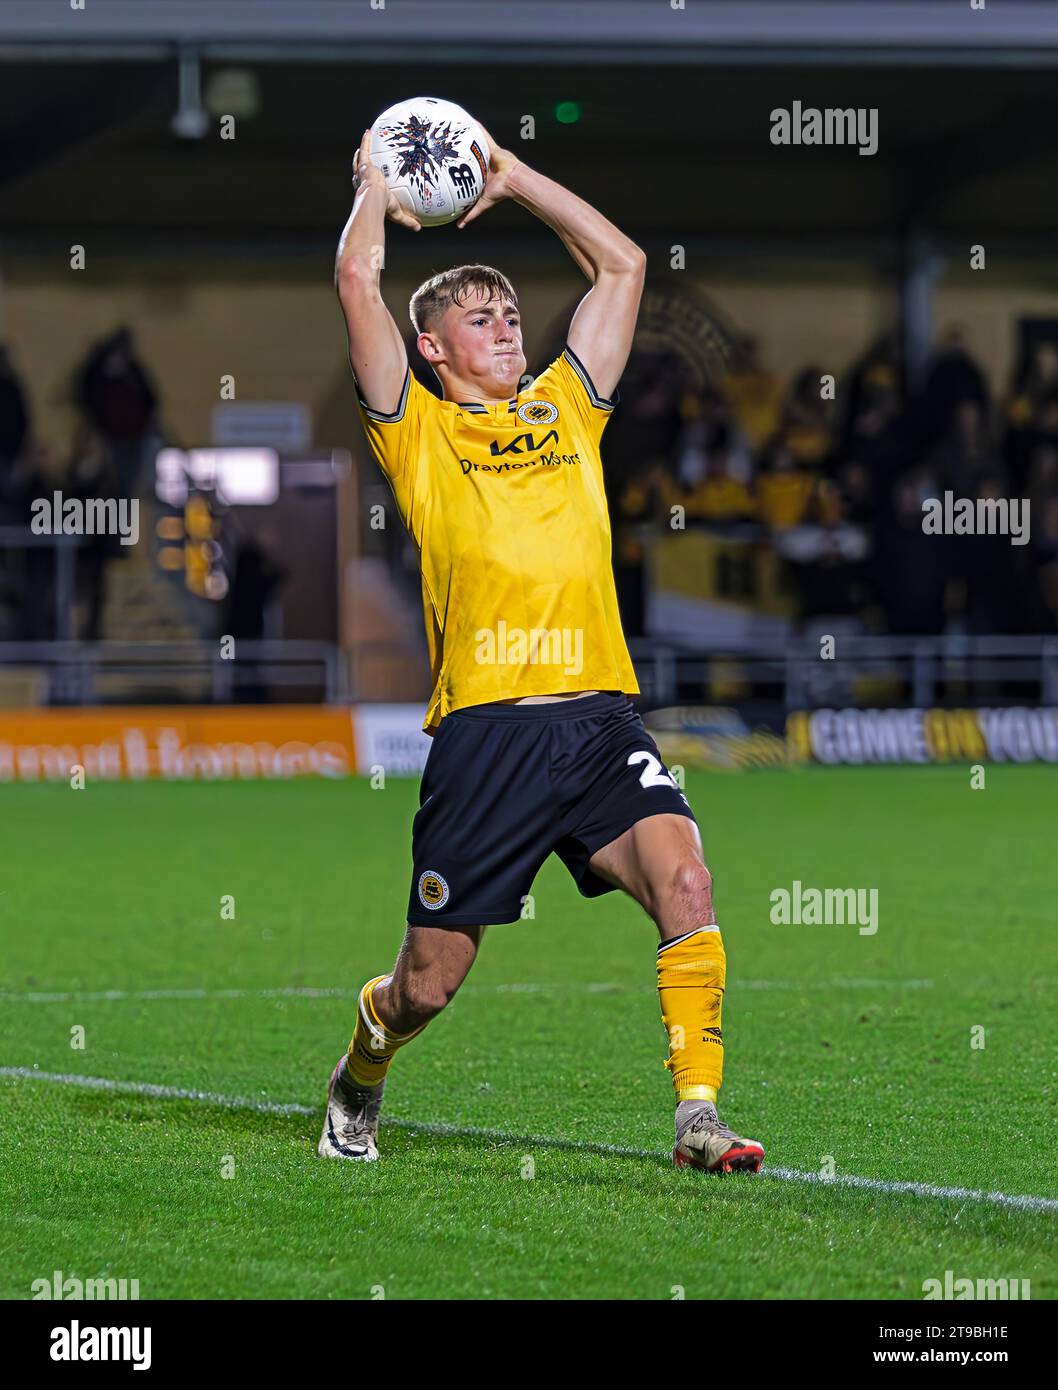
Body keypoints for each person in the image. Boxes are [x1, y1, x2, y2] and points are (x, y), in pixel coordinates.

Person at [319, 125, 764, 1175]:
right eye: (481, 319)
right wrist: (373, 190)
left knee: (686, 887)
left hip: (600, 716)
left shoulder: (566, 407)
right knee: (426, 985)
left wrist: (513, 179)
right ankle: (361, 1070)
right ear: (434, 349)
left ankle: (695, 1112)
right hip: (487, 738)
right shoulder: (416, 433)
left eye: (512, 313)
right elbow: (354, 275)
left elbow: (623, 265)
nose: (508, 329)